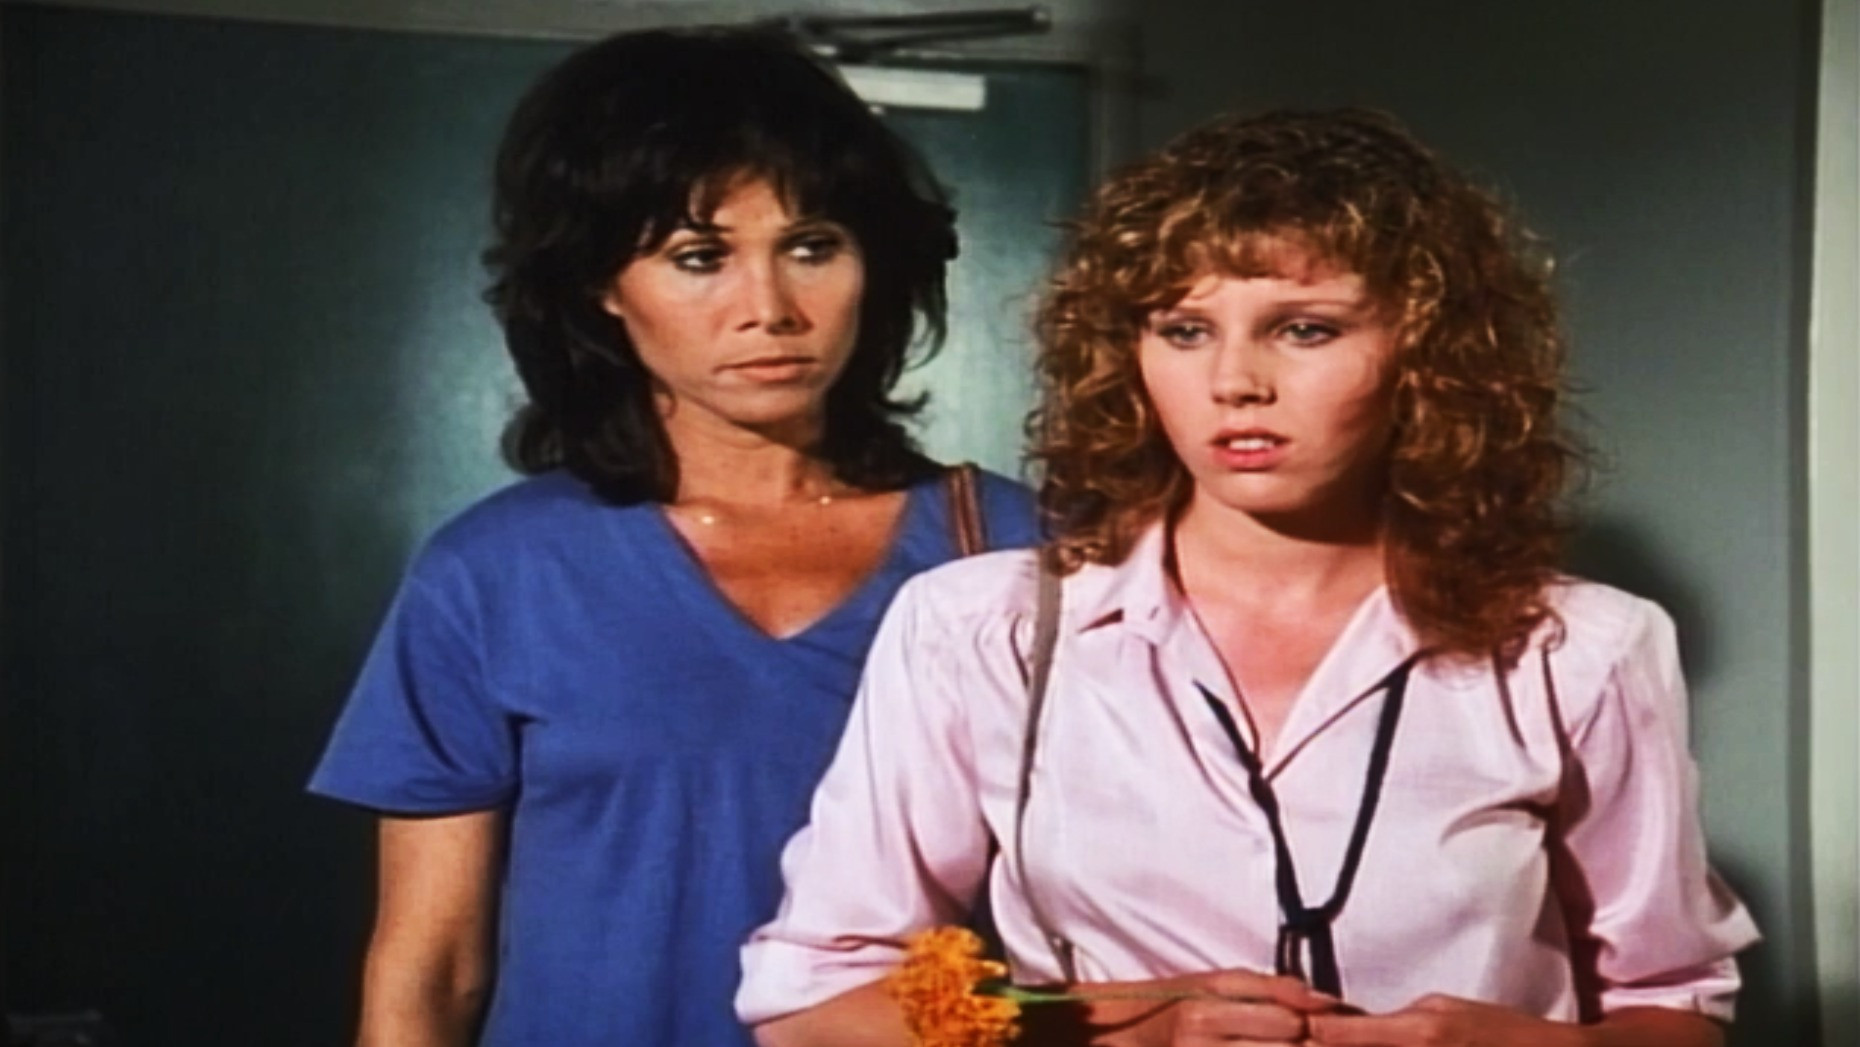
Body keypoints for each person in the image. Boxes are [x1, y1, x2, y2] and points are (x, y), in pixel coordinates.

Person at [738, 109, 1759, 1047]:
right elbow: (812, 1006)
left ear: (1428, 352)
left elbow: (1675, 1008)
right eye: (1184, 331)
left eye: (1304, 328)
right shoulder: (982, 628)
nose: (1235, 383)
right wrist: (1125, 1030)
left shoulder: (1577, 647)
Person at [307, 26, 1038, 1047]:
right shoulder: (497, 572)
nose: (769, 308)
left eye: (812, 247)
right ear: (603, 285)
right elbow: (430, 970)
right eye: (700, 258)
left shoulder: (1016, 554)